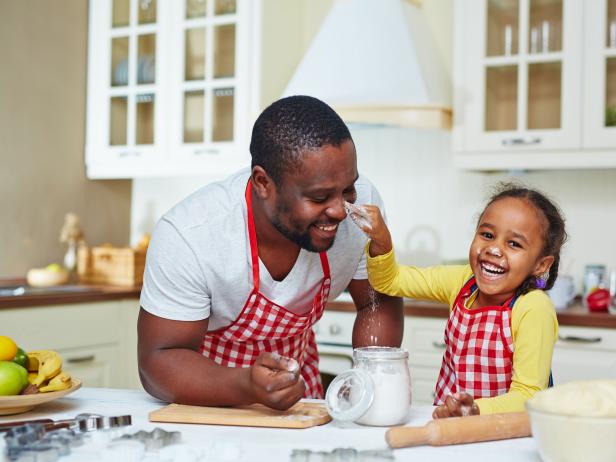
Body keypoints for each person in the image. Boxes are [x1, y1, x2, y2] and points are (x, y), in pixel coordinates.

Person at [138, 95, 403, 411]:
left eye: (348, 189)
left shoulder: (360, 211)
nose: (340, 210)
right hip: (206, 403)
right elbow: (159, 361)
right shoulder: (191, 236)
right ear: (263, 183)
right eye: (319, 197)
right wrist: (246, 385)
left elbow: (378, 300)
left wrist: (368, 384)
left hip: (300, 398)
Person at [348, 184, 566, 417]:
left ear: (541, 265)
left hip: (503, 434)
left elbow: (527, 395)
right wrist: (382, 240)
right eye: (487, 235)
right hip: (451, 423)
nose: (494, 249)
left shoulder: (533, 307)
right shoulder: (462, 281)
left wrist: (474, 410)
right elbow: (390, 281)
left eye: (514, 244)